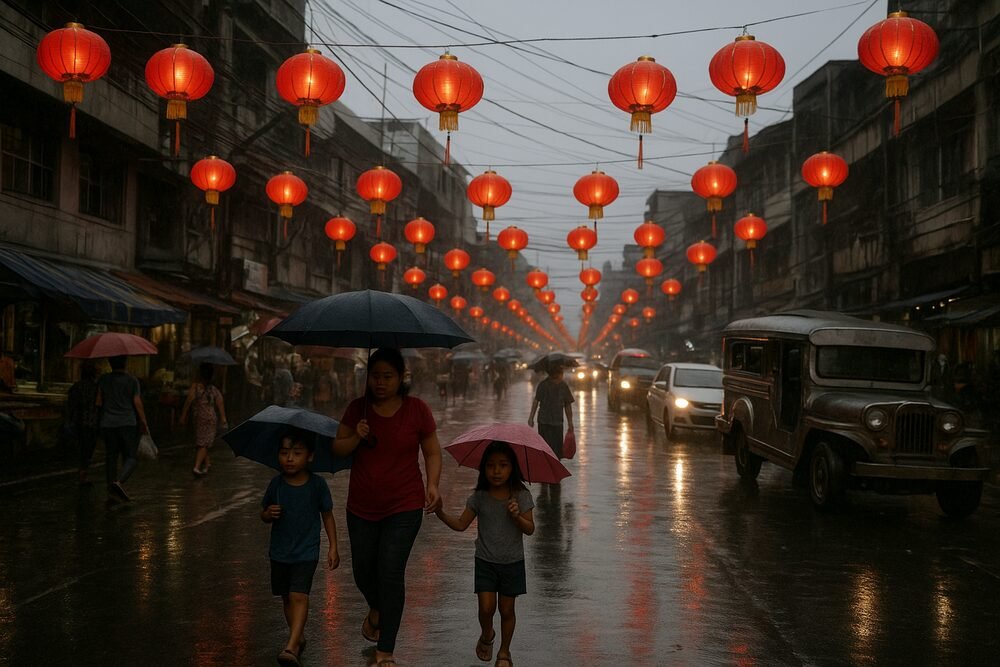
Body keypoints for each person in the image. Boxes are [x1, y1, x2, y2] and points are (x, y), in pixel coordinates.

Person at [333, 348, 442, 667]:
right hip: (361, 506)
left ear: (401, 378)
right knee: (363, 571)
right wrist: (356, 436)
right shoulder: (357, 410)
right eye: (375, 376)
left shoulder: (417, 410)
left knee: (391, 570)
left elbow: (433, 452)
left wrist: (433, 484)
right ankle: (377, 608)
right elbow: (338, 448)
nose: (380, 382)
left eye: (387, 376)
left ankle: (386, 650)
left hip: (405, 505)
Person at [434, 441, 534, 667]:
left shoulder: (521, 495)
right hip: (485, 562)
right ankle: (487, 633)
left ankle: (504, 652)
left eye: (503, 465)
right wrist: (440, 512)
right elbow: (461, 524)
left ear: (512, 467)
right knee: (486, 608)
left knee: (507, 610)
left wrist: (517, 516)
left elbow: (530, 529)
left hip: (512, 563)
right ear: (483, 469)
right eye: (490, 466)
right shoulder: (479, 496)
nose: (497, 471)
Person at [261, 431, 339, 666]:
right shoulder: (276, 484)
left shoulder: (317, 485)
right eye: (284, 453)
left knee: (299, 595)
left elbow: (327, 516)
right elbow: (263, 512)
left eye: (296, 453)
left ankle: (292, 646)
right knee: (286, 597)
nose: (290, 459)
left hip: (307, 550)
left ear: (310, 456)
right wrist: (268, 514)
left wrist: (333, 546)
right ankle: (298, 635)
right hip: (280, 551)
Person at [96, 355, 149, 502]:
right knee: (131, 457)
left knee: (111, 457)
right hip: (127, 423)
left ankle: (111, 491)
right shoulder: (132, 380)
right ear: (125, 363)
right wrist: (144, 421)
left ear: (110, 363)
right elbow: (137, 402)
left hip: (108, 423)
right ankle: (118, 482)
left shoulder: (103, 379)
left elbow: (99, 402)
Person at [179, 362, 228, 477]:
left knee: (202, 443)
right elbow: (220, 401)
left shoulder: (196, 387)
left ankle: (197, 467)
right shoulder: (213, 389)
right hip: (210, 419)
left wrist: (183, 415)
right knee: (203, 442)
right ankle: (207, 464)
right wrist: (222, 417)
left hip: (199, 419)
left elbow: (188, 401)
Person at [527, 362, 574, 459]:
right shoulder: (544, 385)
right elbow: (536, 401)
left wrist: (570, 422)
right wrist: (531, 417)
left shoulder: (562, 386)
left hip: (554, 422)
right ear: (557, 373)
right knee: (546, 449)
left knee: (555, 451)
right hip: (546, 422)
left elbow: (567, 405)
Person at [66, 361, 100, 484]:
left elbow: (71, 405)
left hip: (78, 422)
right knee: (88, 448)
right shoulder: (97, 388)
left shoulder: (76, 387)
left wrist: (70, 419)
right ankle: (83, 472)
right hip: (93, 422)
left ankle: (82, 471)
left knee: (81, 447)